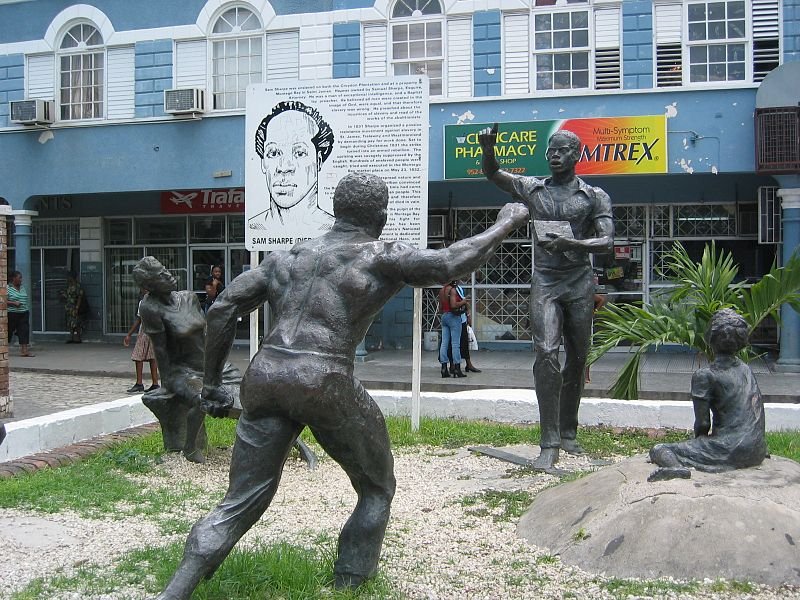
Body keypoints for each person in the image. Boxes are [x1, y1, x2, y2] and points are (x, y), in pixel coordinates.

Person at [155, 172, 529, 599]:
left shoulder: (287, 257)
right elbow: (446, 265)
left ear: (336, 211)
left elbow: (223, 308)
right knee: (377, 486)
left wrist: (212, 384)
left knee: (239, 501)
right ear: (382, 216)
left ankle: (176, 591)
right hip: (322, 377)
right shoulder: (378, 254)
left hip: (266, 374)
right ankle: (351, 581)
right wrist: (506, 222)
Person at [479, 124, 614, 470]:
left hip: (580, 281)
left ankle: (568, 432)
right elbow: (493, 173)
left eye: (562, 150)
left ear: (576, 154)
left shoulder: (594, 195)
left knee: (578, 358)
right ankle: (549, 442)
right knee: (546, 353)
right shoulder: (532, 188)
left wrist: (572, 244)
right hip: (546, 282)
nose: (555, 156)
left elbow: (607, 242)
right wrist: (488, 147)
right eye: (551, 151)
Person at [132, 257, 242, 463]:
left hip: (210, 366)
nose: (169, 276)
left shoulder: (189, 298)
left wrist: (216, 364)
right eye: (161, 276)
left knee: (253, 394)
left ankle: (288, 444)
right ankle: (190, 448)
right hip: (182, 372)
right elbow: (161, 350)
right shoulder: (150, 308)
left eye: (166, 270)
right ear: (149, 286)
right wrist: (168, 386)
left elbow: (207, 336)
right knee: (203, 399)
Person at [648, 308, 767, 482]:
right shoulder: (746, 369)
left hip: (730, 448)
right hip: (757, 448)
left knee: (659, 449)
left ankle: (675, 468)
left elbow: (703, 423)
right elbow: (756, 410)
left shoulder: (705, 375)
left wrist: (698, 444)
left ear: (710, 337)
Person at [248, 100, 335, 234]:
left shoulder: (332, 230)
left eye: (299, 153)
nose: (284, 167)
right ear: (263, 163)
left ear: (318, 161)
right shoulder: (254, 226)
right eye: (274, 153)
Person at [123, 289, 160, 394]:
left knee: (152, 357)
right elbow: (139, 320)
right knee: (139, 356)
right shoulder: (142, 303)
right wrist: (129, 334)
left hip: (153, 331)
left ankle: (154, 383)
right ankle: (141, 383)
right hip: (144, 331)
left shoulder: (157, 302)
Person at [438, 280, 467, 378]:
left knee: (444, 343)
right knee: (455, 344)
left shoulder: (442, 290)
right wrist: (463, 301)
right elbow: (454, 305)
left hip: (444, 316)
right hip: (453, 317)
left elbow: (440, 308)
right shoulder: (453, 290)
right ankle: (457, 368)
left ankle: (444, 368)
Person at [7, 270, 34, 357]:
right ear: (13, 278)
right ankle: (3, 349)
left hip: (23, 313)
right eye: (19, 278)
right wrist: (13, 303)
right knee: (8, 331)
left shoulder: (22, 287)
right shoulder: (8, 288)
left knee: (24, 331)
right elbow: (3, 300)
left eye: (21, 278)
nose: (21, 280)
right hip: (12, 314)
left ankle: (24, 351)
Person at [61, 271, 85, 343]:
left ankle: (78, 337)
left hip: (74, 306)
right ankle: (71, 337)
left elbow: (80, 297)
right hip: (69, 307)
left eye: (69, 277)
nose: (68, 278)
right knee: (69, 322)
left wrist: (77, 307)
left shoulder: (77, 286)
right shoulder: (68, 285)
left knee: (76, 322)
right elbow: (67, 295)